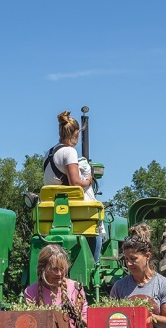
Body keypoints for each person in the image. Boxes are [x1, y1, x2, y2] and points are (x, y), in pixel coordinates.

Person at [43, 110, 104, 262]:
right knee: (97, 226)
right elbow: (75, 183)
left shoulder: (49, 153)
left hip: (51, 212)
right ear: (76, 133)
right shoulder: (69, 152)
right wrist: (89, 180)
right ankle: (94, 265)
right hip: (71, 212)